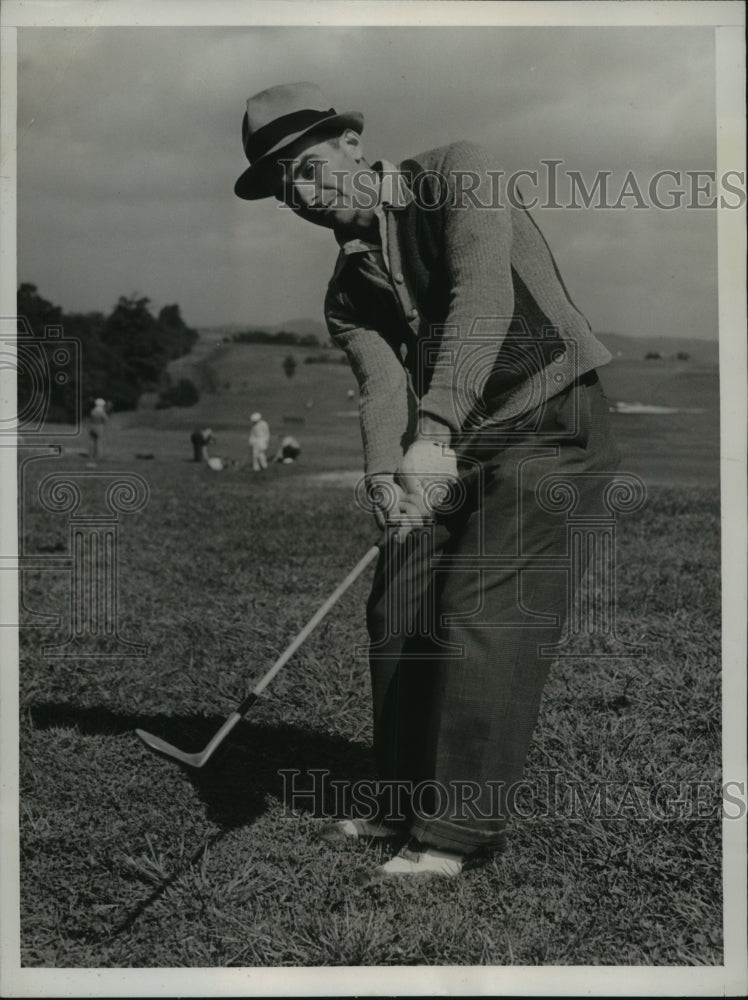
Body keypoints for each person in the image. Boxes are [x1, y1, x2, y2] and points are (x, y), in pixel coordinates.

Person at [235, 83, 620, 880]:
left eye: (308, 170)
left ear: (350, 141)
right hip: (459, 440)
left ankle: (454, 833)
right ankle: (405, 800)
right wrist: (386, 481)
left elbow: (483, 297)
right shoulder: (346, 293)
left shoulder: (458, 173)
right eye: (285, 189)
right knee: (400, 596)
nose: (303, 197)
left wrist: (437, 427)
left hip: (553, 420)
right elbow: (383, 390)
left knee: (485, 606)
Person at [88, 398, 109, 462]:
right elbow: (106, 419)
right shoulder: (102, 412)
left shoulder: (93, 411)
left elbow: (91, 419)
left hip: (92, 427)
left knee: (93, 442)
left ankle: (92, 455)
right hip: (99, 427)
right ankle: (99, 456)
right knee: (99, 443)